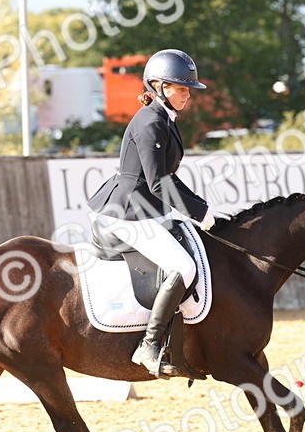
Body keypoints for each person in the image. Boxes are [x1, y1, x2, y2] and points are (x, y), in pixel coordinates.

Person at [87, 48, 215, 378]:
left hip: (147, 207)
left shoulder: (164, 119)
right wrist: (200, 213)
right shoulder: (150, 123)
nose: (187, 95)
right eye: (181, 88)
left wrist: (203, 208)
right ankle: (149, 345)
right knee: (184, 266)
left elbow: (167, 178)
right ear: (158, 85)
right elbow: (159, 183)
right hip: (128, 212)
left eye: (188, 89)